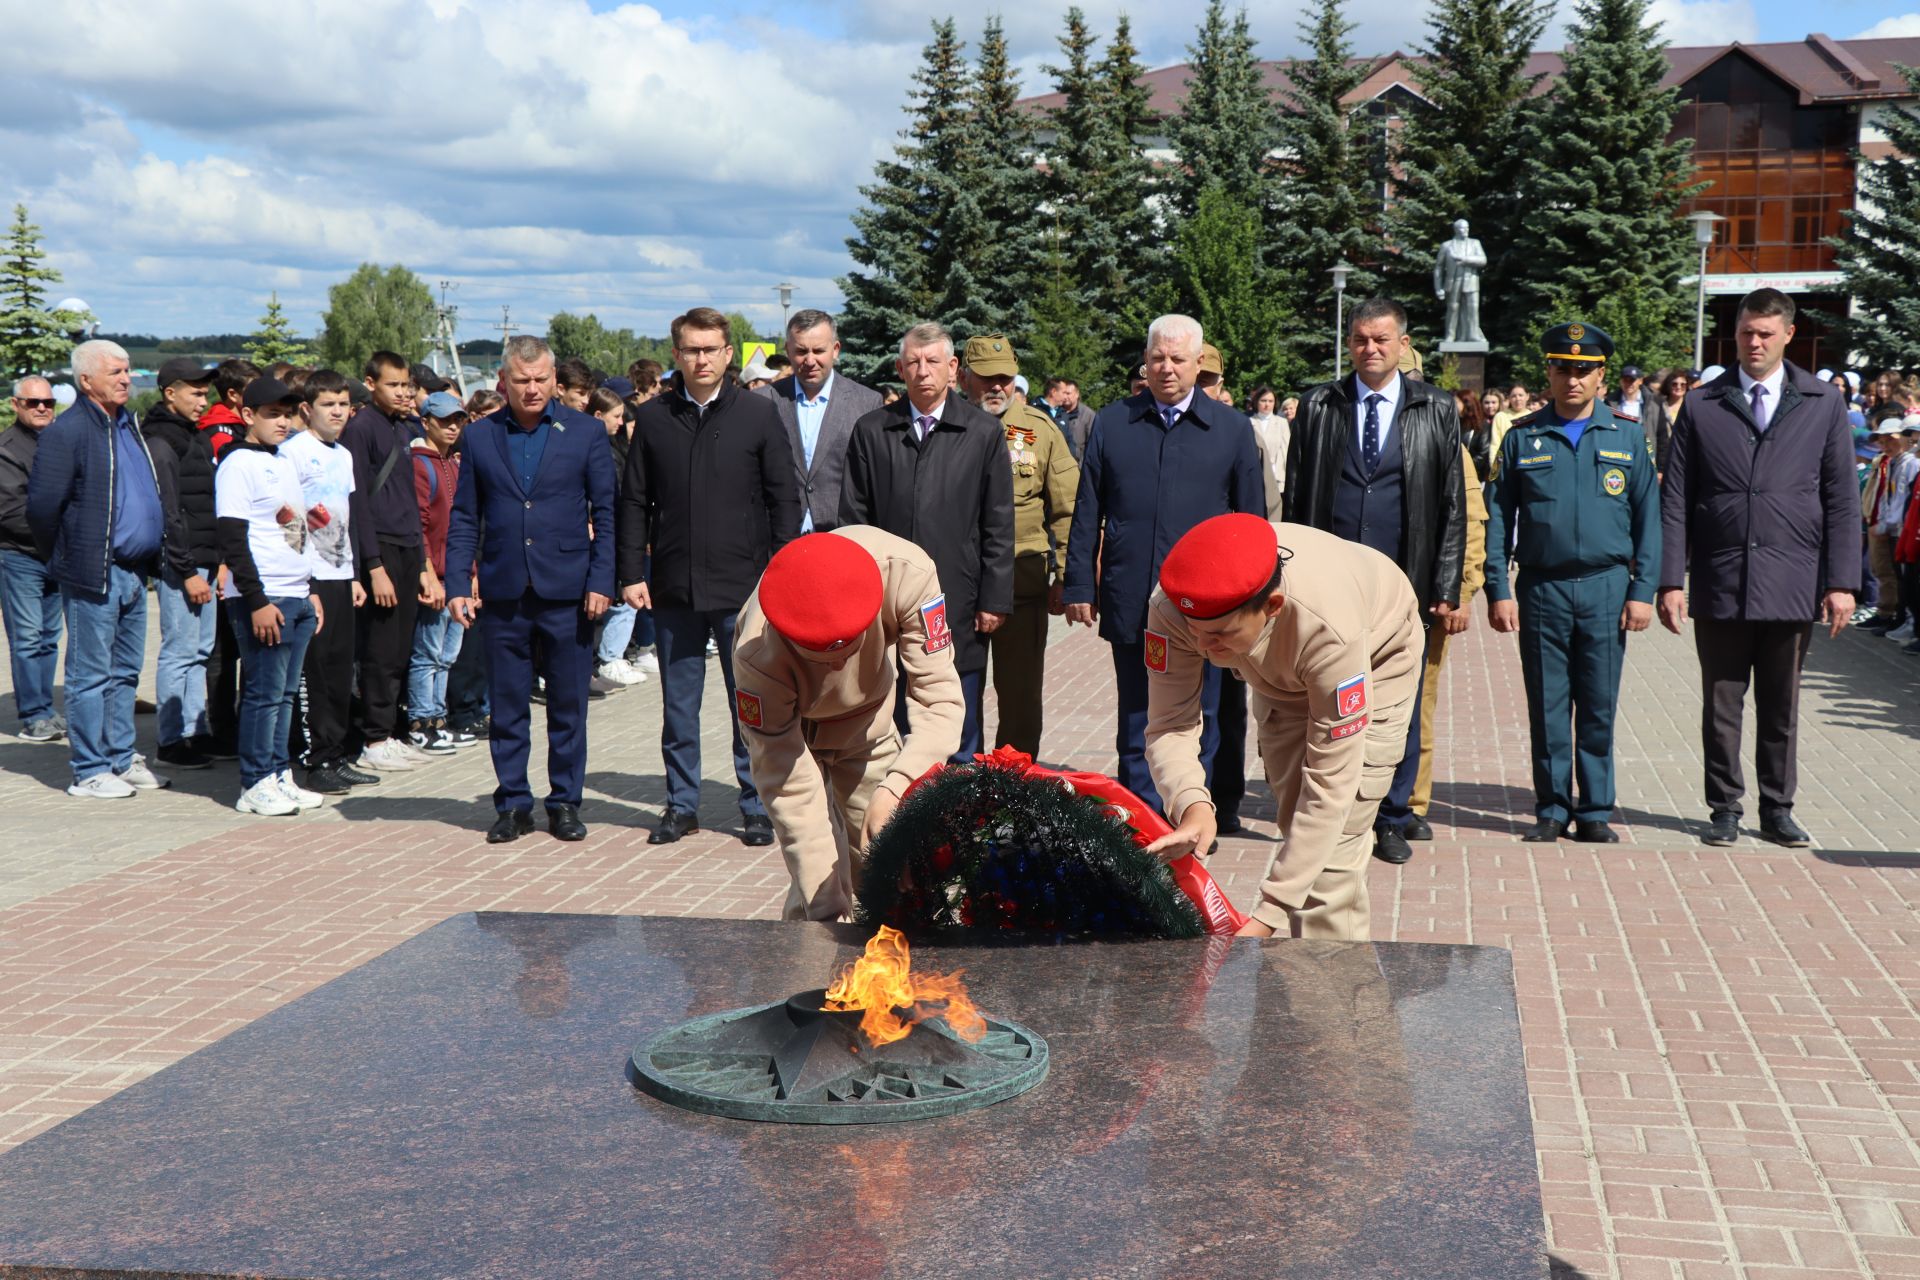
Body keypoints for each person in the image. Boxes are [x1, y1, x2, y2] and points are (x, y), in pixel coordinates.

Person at [1140, 514, 1422, 941]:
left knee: (1329, 867)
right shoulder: (1175, 603)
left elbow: (1331, 786)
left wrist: (1269, 912)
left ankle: (1328, 998)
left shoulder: (1330, 629)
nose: (1201, 648)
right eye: (1194, 632)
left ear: (1271, 607)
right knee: (1296, 822)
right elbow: (1169, 724)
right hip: (1281, 672)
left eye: (1218, 634)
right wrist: (1193, 804)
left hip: (1377, 656)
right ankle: (1308, 979)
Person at [1658, 289, 1860, 847]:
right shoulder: (1703, 404)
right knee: (1721, 703)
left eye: (1766, 333)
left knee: (1782, 706)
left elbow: (1843, 499)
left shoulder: (1821, 402)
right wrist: (1671, 578)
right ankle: (1724, 807)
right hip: (1722, 579)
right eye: (1746, 332)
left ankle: (1777, 808)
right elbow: (1675, 498)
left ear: (1788, 335)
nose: (1754, 343)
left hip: (1792, 581)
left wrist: (1842, 582)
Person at [1283, 296, 1467, 864]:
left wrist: (1446, 585)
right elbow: (1294, 497)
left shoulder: (1434, 409)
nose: (1370, 349)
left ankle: (1390, 815)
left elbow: (1451, 504)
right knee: (1327, 698)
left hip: (1402, 585)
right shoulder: (1319, 406)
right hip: (1331, 585)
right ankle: (1328, 812)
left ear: (1403, 344)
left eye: (1382, 340)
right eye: (1361, 339)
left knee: (1397, 703)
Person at [1063, 314, 1263, 813]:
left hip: (1210, 604)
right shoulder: (1113, 423)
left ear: (1199, 364)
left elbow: (1253, 523)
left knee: (1207, 713)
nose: (1166, 368)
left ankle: (1198, 814)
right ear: (1145, 362)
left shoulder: (1232, 430)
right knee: (1138, 714)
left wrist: (1253, 600)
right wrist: (1078, 587)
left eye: (1178, 359)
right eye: (1157, 358)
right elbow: (1089, 509)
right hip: (1133, 596)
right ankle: (1142, 818)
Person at [617, 307, 802, 847]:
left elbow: (782, 498)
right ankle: (681, 805)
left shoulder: (757, 415)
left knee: (749, 702)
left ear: (728, 354)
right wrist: (632, 571)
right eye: (691, 350)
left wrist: (782, 569)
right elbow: (632, 502)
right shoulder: (653, 419)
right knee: (679, 707)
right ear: (677, 354)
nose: (702, 359)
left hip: (744, 587)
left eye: (711, 349)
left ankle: (755, 805)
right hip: (674, 587)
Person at [1483, 322, 1661, 843]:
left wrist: (1643, 590)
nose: (1573, 379)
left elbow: (1650, 520)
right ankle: (1554, 806)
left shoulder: (1628, 436)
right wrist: (1499, 588)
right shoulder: (1522, 437)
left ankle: (1596, 809)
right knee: (1548, 704)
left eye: (1584, 370)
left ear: (1602, 376)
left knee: (1599, 704)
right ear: (1550, 371)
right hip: (1542, 588)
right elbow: (1496, 520)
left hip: (1607, 587)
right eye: (1563, 368)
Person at [733, 529, 964, 920]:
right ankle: (808, 963)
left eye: (847, 649)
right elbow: (787, 783)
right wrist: (827, 914)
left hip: (868, 728)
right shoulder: (756, 652)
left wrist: (899, 786)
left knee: (895, 864)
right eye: (822, 659)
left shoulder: (907, 573)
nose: (839, 667)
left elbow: (937, 697)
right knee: (820, 878)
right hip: (796, 737)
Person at [447, 335, 618, 844]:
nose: (532, 389)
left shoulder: (585, 432)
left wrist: (601, 579)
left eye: (541, 379)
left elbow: (606, 514)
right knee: (507, 705)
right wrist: (459, 581)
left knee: (568, 705)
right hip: (503, 592)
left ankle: (564, 802)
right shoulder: (479, 438)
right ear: (504, 382)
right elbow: (463, 518)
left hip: (568, 591)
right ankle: (513, 803)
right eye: (522, 381)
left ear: (554, 379)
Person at [840, 321, 1015, 764]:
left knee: (957, 724)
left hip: (956, 599)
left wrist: (993, 598)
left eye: (933, 361)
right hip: (887, 606)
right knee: (890, 724)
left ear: (953, 368)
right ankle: (898, 822)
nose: (923, 371)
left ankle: (957, 826)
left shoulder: (981, 433)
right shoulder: (872, 431)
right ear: (900, 369)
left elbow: (997, 522)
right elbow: (854, 523)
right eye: (913, 362)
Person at [26, 340, 175, 798]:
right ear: (86, 380)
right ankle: (89, 769)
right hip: (96, 572)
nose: (127, 378)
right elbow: (42, 509)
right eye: (116, 372)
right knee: (89, 674)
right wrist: (71, 556)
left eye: (128, 370)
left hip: (135, 573)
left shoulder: (128, 425)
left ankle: (120, 757)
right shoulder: (67, 432)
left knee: (127, 673)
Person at [959, 334, 1077, 759]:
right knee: (954, 698)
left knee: (1021, 699)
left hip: (1021, 584)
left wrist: (1067, 576)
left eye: (1006, 377)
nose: (997, 386)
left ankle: (1011, 791)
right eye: (987, 377)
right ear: (963, 377)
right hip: (959, 583)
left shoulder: (1041, 432)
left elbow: (1067, 509)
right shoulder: (947, 427)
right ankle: (956, 790)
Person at [215, 377, 327, 816]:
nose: (283, 421)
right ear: (247, 415)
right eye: (272, 414)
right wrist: (257, 599)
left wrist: (310, 589)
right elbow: (232, 538)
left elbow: (295, 530)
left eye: (288, 413)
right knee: (263, 693)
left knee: (283, 694)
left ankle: (279, 773)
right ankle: (255, 781)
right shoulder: (238, 464)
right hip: (263, 598)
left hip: (295, 593)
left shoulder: (282, 461)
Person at [281, 370, 371, 793]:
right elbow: (288, 517)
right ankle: (315, 761)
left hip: (339, 572)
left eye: (343, 405)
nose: (337, 413)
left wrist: (352, 573)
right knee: (314, 672)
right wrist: (307, 580)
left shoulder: (344, 454)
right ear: (307, 409)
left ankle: (336, 754)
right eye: (328, 405)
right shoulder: (294, 452)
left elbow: (346, 515)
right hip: (310, 576)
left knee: (338, 670)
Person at [343, 352, 433, 773]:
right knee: (379, 650)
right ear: (371, 383)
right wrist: (373, 565)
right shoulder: (361, 429)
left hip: (407, 546)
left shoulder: (403, 427)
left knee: (400, 649)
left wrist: (420, 564)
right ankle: (374, 738)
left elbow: (409, 501)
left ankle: (392, 729)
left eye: (407, 385)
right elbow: (357, 500)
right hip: (379, 547)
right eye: (394, 385)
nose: (403, 393)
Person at [141, 357, 220, 769]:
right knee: (180, 650)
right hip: (183, 564)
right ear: (170, 393)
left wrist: (215, 561)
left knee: (201, 649)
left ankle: (195, 730)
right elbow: (169, 512)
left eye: (206, 393)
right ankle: (171, 740)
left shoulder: (194, 436)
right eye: (195, 392)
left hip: (206, 558)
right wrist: (187, 571)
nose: (203, 400)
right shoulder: (161, 441)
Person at [1410, 446, 1489, 831]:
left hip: (1425, 600)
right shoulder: (1352, 428)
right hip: (1359, 597)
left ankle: (1410, 804)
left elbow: (1472, 521)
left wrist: (1461, 588)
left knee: (1418, 702)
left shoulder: (1448, 446)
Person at [759, 309, 883, 535]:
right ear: (787, 350)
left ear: (836, 350)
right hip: (778, 536)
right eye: (800, 351)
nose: (809, 360)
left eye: (818, 351)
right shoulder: (763, 401)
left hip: (842, 536)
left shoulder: (866, 403)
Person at [0, 376, 65, 742]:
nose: (42, 408)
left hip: (55, 556)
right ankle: (34, 715)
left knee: (49, 637)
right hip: (19, 557)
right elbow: (11, 511)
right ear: (16, 405)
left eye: (48, 403)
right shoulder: (6, 448)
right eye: (32, 402)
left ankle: (46, 710)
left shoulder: (57, 443)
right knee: (27, 637)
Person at [406, 392, 467, 753]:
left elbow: (464, 524)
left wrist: (470, 572)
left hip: (456, 576)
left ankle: (439, 717)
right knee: (427, 653)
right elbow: (420, 524)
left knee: (448, 655)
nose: (452, 426)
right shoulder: (420, 463)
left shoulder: (454, 463)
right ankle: (420, 720)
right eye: (445, 420)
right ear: (426, 421)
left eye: (458, 420)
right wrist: (427, 572)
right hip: (436, 576)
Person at [1607, 364, 1670, 484]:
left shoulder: (1654, 403)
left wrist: (1661, 469)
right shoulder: (1610, 402)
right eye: (1625, 379)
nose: (1629, 383)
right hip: (1619, 458)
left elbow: (1662, 438)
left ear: (1640, 381)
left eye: (1632, 380)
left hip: (1646, 459)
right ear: (1620, 381)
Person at [1246, 385, 1288, 520]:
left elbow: (1285, 450)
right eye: (1263, 401)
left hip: (1276, 476)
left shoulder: (1281, 423)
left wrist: (1281, 474)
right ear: (1256, 401)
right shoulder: (1248, 422)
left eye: (1270, 401)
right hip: (1256, 473)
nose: (1267, 404)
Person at [1042, 377, 1095, 460]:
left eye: (1068, 393)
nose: (1065, 397)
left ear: (1077, 394)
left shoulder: (1088, 415)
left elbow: (1092, 444)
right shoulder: (1057, 411)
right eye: (1064, 393)